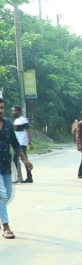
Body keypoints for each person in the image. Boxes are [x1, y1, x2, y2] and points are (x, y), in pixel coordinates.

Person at [0, 99, 33, 239]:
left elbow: (14, 143)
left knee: (7, 194)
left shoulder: (7, 123)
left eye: (2, 107)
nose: (1, 110)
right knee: (1, 195)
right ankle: (6, 226)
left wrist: (25, 160)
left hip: (5, 164)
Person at [11, 105, 33, 183]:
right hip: (17, 142)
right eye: (13, 111)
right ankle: (29, 177)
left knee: (15, 159)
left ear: (19, 111)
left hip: (22, 143)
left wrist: (30, 142)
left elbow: (28, 131)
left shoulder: (23, 120)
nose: (13, 112)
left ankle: (19, 177)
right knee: (24, 159)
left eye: (15, 111)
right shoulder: (15, 120)